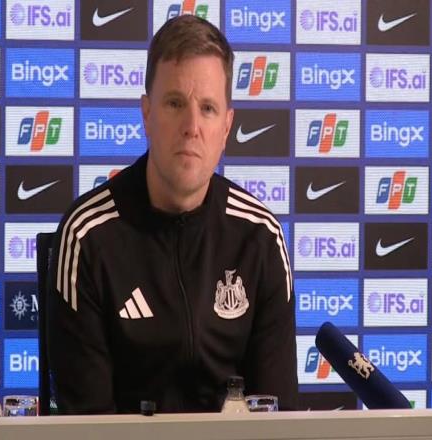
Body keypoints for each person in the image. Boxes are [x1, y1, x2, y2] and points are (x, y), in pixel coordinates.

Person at [47, 14, 298, 414]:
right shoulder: (86, 237)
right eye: (175, 103)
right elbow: (88, 426)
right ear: (146, 113)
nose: (191, 126)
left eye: (208, 108)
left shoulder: (260, 236)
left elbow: (277, 415)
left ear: (227, 127)